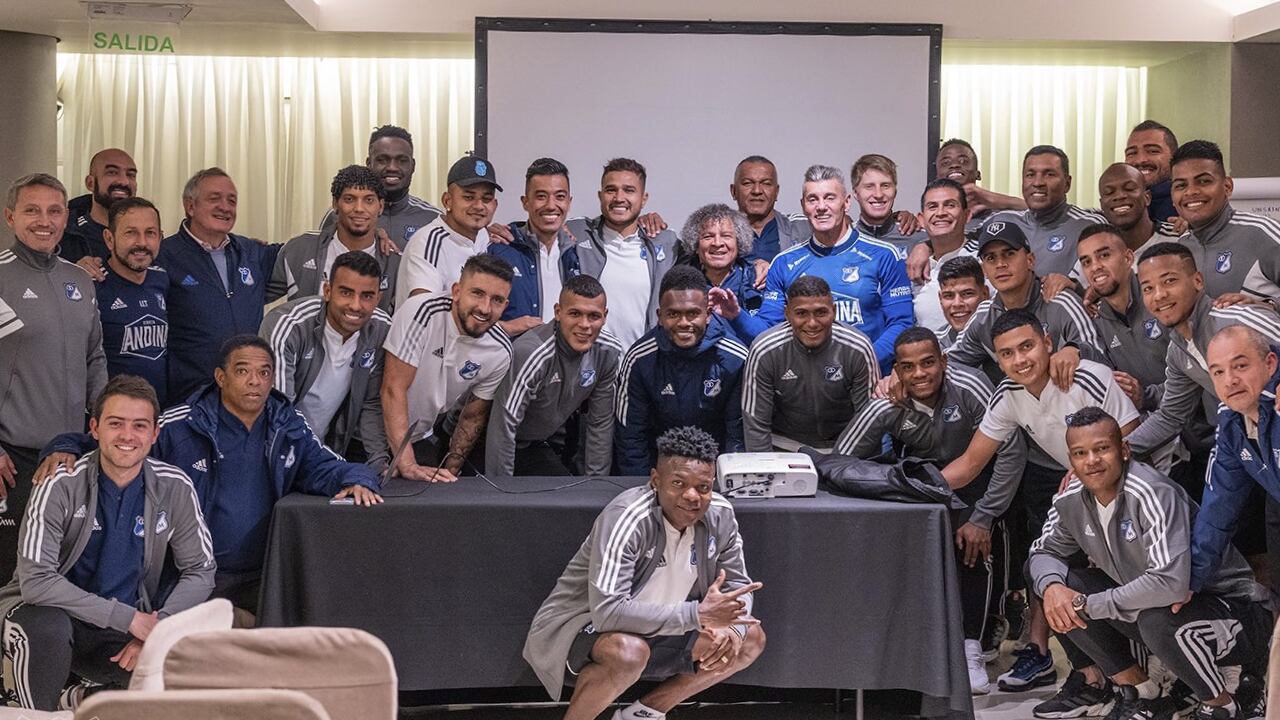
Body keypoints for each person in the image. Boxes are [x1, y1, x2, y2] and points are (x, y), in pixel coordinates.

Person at [38, 335, 380, 618]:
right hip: (187, 575)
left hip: (263, 571)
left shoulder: (286, 423)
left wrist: (359, 478)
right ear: (221, 377)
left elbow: (324, 465)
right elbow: (119, 446)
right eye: (243, 371)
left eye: (264, 373)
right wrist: (64, 445)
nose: (255, 382)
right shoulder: (181, 425)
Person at [942, 309, 1140, 694]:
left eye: (1027, 346)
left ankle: (1139, 680)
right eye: (1007, 353)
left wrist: (1086, 479)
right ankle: (1089, 677)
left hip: (1139, 490)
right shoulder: (1009, 393)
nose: (1020, 360)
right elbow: (969, 465)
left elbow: (1133, 444)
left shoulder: (1086, 376)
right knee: (1046, 571)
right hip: (1087, 494)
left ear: (1048, 343)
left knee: (1115, 584)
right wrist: (911, 486)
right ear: (997, 359)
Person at [1031, 406, 1270, 720]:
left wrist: (1085, 605)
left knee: (1154, 619)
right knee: (1061, 585)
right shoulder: (1070, 498)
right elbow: (1041, 553)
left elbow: (1168, 585)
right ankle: (1147, 696)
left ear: (1124, 449)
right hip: (1164, 611)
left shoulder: (1151, 491)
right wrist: (1052, 589)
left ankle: (1221, 705)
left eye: (1102, 449)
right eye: (1080, 453)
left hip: (1235, 609)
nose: (1091, 461)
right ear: (1070, 460)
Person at [0, 376, 214, 711]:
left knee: (178, 680)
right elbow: (36, 582)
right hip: (49, 618)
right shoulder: (59, 483)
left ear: (155, 434)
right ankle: (32, 705)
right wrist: (129, 619)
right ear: (95, 428)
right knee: (47, 629)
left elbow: (200, 571)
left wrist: (155, 630)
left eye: (139, 426)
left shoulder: (175, 487)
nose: (127, 436)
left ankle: (77, 697)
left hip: (117, 632)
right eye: (116, 423)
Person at [524, 426, 766, 720]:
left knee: (749, 639)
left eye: (703, 487)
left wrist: (732, 629)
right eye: (678, 483)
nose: (692, 496)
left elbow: (738, 585)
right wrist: (698, 616)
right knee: (628, 652)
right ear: (655, 481)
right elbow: (608, 612)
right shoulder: (627, 516)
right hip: (586, 627)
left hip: (669, 624)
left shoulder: (720, 514)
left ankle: (644, 714)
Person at [835, 328, 1025, 695]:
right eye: (908, 367)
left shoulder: (971, 387)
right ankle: (918, 645)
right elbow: (843, 460)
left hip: (977, 483)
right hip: (920, 486)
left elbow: (1011, 452)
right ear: (897, 372)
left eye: (928, 363)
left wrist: (984, 515)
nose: (920, 374)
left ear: (944, 361)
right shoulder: (885, 402)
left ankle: (972, 645)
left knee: (973, 541)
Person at [0, 173, 108, 584]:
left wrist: (102, 423)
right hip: (14, 460)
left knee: (64, 572)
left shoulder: (78, 279)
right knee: (12, 576)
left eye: (54, 211)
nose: (44, 220)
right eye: (32, 210)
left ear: (67, 217)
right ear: (11, 217)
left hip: (72, 455)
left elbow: (95, 356)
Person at [734, 165, 911, 374]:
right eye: (812, 199)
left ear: (846, 203)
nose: (821, 207)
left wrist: (863, 361)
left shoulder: (884, 255)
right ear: (803, 206)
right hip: (806, 382)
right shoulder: (784, 262)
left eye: (829, 198)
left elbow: (902, 322)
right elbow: (767, 330)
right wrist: (735, 314)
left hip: (868, 379)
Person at [1125, 243, 1280, 468]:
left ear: (1198, 280)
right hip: (1254, 445)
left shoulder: (1238, 319)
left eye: (1169, 281)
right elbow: (1171, 416)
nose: (1159, 295)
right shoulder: (1177, 350)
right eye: (1148, 288)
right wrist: (1118, 449)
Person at [382, 254, 514, 481]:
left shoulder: (501, 349)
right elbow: (393, 389)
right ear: (456, 291)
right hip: (371, 433)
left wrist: (451, 470)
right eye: (477, 293)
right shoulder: (421, 311)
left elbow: (473, 417)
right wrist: (407, 464)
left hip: (419, 435)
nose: (485, 308)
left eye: (497, 300)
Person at [158, 167, 281, 403]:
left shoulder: (252, 252)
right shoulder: (163, 255)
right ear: (190, 206)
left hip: (245, 400)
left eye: (231, 201)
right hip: (188, 399)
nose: (225, 207)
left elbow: (304, 252)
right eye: (214, 199)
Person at [260, 251, 391, 467]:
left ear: (378, 298)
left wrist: (379, 464)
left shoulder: (380, 329)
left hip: (324, 451)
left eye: (367, 296)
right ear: (327, 291)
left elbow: (370, 403)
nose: (356, 306)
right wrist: (324, 463)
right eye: (346, 293)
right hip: (271, 450)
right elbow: (279, 408)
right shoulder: (288, 325)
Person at [1077, 225, 1189, 474]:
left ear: (1128, 258)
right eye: (1086, 261)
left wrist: (1147, 395)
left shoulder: (1162, 299)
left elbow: (1195, 370)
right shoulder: (1097, 320)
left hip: (1204, 425)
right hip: (1161, 439)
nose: (1095, 267)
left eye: (1104, 255)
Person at [615, 266, 747, 476]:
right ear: (659, 316)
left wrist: (728, 482)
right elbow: (631, 436)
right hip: (656, 472)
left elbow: (737, 435)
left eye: (693, 313)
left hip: (715, 472)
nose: (684, 323)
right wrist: (641, 488)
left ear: (708, 314)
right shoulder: (640, 359)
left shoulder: (735, 358)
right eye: (674, 314)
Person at [485, 276, 622, 477]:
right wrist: (501, 493)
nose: (585, 325)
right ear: (558, 312)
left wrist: (595, 486)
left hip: (534, 444)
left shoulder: (608, 352)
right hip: (487, 441)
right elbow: (503, 424)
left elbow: (600, 423)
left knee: (568, 500)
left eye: (594, 316)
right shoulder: (533, 352)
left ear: (605, 316)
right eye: (575, 314)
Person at [943, 220, 1108, 385]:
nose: (1000, 264)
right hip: (1017, 405)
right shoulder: (984, 317)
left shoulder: (1060, 301)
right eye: (991, 258)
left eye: (1009, 254)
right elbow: (950, 365)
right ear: (984, 270)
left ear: (1030, 260)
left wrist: (1075, 350)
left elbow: (1101, 356)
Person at [741, 276, 878, 452]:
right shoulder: (764, 350)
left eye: (821, 312)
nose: (812, 323)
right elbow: (755, 424)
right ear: (787, 313)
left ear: (834, 311)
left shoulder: (858, 348)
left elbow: (868, 422)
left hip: (843, 448)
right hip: (783, 446)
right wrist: (765, 472)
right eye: (801, 313)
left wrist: (851, 470)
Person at [1194, 327, 1280, 606]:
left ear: (1270, 363)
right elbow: (1218, 505)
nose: (1230, 381)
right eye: (1218, 372)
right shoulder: (1231, 422)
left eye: (1240, 366)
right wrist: (1189, 581)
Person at [564, 158, 679, 349]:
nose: (619, 198)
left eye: (629, 190)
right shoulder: (576, 232)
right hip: (590, 363)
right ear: (600, 196)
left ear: (644, 199)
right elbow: (538, 229)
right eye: (611, 190)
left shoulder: (667, 242)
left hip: (644, 363)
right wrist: (503, 231)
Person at [270, 165, 400, 313]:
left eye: (368, 200)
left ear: (381, 206)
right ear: (335, 204)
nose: (359, 208)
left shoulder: (395, 262)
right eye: (349, 199)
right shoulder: (299, 249)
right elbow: (253, 292)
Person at [1171, 140, 1280, 303]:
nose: (1191, 191)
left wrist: (1266, 307)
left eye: (1204, 181)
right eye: (1181, 185)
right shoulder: (1179, 249)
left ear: (1227, 186)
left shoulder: (1263, 234)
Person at [981, 145, 1104, 288]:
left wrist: (1073, 286)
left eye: (1049, 174)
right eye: (1030, 175)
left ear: (1067, 184)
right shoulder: (1002, 222)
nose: (1038, 182)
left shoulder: (1089, 226)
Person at [488, 157, 578, 338]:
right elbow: (474, 318)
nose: (551, 205)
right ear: (525, 202)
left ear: (569, 201)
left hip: (564, 363)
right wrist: (507, 328)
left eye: (559, 196)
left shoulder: (578, 252)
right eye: (541, 196)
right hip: (514, 363)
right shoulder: (499, 249)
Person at [396, 154, 501, 306]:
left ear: (495, 205)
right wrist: (502, 328)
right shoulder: (427, 243)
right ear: (447, 201)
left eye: (486, 199)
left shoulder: (483, 236)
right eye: (468, 197)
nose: (479, 206)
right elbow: (424, 310)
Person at [318, 124, 442, 250]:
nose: (392, 167)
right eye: (382, 160)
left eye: (401, 160)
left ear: (413, 166)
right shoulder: (340, 214)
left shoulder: (434, 219)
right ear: (369, 164)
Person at [96, 197, 170, 406]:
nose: (142, 243)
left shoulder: (162, 279)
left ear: (160, 238)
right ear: (109, 238)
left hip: (158, 413)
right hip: (113, 415)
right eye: (131, 233)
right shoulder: (92, 284)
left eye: (150, 233)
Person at [678, 203, 762, 346]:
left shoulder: (759, 280)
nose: (717, 243)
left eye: (726, 236)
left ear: (738, 243)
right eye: (708, 236)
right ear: (696, 246)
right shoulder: (680, 285)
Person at [913, 178, 977, 333]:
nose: (940, 213)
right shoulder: (913, 267)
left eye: (950, 205)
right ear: (921, 219)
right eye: (932, 206)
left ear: (967, 215)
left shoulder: (985, 259)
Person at [60, 148, 138, 270]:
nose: (124, 181)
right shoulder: (63, 234)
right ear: (90, 183)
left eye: (131, 175)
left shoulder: (146, 233)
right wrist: (73, 274)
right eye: (112, 172)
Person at [729, 155, 810, 262]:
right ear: (733, 191)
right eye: (748, 183)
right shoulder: (717, 234)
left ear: (776, 192)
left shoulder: (804, 227)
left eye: (766, 184)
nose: (757, 191)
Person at [1097, 163, 1181, 262]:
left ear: (1147, 197)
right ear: (1102, 204)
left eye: (1129, 188)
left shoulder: (1178, 239)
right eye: (1109, 192)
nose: (1119, 196)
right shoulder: (1096, 250)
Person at [851, 153, 926, 257]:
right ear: (855, 193)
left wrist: (927, 245)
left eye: (885, 186)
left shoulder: (921, 239)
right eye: (869, 186)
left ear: (895, 191)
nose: (878, 194)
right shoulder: (843, 239)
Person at [1123, 120, 1179, 223]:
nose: (1140, 160)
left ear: (1174, 158)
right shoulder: (1117, 205)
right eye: (1132, 153)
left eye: (1153, 151)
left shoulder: (1188, 206)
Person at [933, 256, 989, 350]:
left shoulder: (1006, 331)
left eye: (967, 294)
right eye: (949, 296)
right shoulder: (934, 346)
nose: (957, 304)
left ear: (985, 294)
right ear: (940, 299)